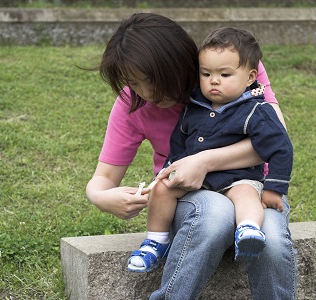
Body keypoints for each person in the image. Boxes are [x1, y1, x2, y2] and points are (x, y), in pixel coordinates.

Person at [85, 12, 297, 299]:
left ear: (179, 64)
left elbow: (276, 136)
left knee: (270, 241)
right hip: (188, 194)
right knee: (215, 213)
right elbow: (102, 179)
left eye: (152, 80)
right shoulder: (131, 104)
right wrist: (101, 198)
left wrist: (203, 160)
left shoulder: (231, 64)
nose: (146, 93)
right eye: (134, 83)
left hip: (254, 187)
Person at [127, 27, 293, 273]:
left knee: (246, 196)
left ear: (249, 78)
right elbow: (179, 142)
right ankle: (155, 241)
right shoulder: (194, 106)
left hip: (240, 177)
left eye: (225, 75)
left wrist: (274, 188)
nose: (214, 80)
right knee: (162, 189)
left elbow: (280, 148)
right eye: (206, 74)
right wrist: (170, 169)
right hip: (198, 181)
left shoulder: (256, 110)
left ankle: (248, 229)